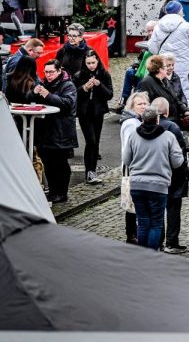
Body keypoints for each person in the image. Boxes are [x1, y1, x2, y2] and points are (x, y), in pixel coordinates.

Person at [122, 107, 184, 250]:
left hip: (137, 185)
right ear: (157, 120)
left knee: (143, 222)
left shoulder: (133, 136)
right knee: (156, 223)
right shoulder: (168, 136)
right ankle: (152, 254)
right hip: (159, 185)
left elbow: (126, 160)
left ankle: (142, 254)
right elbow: (177, 162)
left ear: (142, 120)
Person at [33, 60, 78, 204]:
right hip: (46, 132)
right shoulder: (44, 84)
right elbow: (33, 101)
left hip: (61, 132)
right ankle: (53, 191)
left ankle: (61, 192)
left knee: (60, 164)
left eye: (51, 72)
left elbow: (67, 103)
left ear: (59, 71)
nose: (48, 75)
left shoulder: (68, 85)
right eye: (46, 72)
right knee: (48, 163)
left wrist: (48, 96)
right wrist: (33, 93)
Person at [149, 96, 189, 254]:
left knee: (157, 209)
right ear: (167, 111)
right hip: (171, 174)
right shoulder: (172, 127)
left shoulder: (143, 126)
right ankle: (171, 242)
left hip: (152, 173)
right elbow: (180, 151)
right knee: (173, 208)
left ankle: (158, 241)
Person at [147, 1, 189, 103]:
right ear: (179, 12)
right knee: (185, 89)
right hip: (184, 63)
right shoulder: (185, 26)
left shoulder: (158, 26)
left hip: (164, 64)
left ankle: (167, 109)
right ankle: (186, 112)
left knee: (164, 87)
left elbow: (152, 48)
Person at [74, 49, 113, 185]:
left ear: (97, 61)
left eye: (93, 62)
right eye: (88, 63)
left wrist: (99, 85)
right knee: (90, 141)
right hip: (84, 113)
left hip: (98, 112)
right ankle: (89, 172)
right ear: (84, 63)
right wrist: (84, 88)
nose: (91, 65)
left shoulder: (104, 75)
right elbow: (74, 94)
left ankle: (92, 171)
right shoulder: (79, 76)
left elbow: (109, 95)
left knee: (95, 142)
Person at [120, 91, 150, 243]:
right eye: (139, 104)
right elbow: (130, 148)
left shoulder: (138, 120)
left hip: (137, 166)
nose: (143, 106)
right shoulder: (131, 123)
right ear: (132, 106)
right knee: (132, 201)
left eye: (145, 103)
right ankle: (131, 234)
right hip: (132, 166)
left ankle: (133, 233)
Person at [137, 54, 188, 120]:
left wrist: (185, 110)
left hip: (172, 118)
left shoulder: (164, 80)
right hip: (159, 121)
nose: (168, 68)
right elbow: (146, 106)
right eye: (166, 66)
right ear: (160, 69)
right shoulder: (147, 82)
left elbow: (175, 99)